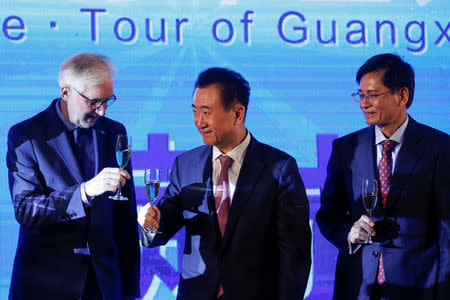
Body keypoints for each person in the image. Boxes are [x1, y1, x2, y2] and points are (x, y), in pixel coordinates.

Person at [138, 67, 311, 300]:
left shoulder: (279, 168)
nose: (199, 122)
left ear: (238, 114)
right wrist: (151, 224)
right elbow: (162, 228)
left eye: (207, 112)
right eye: (195, 111)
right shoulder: (186, 165)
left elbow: (295, 252)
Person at [316, 53, 450, 299]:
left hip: (419, 288)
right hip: (359, 287)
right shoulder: (346, 149)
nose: (363, 103)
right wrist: (349, 232)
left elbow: (447, 232)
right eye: (360, 95)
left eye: (372, 96)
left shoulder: (440, 148)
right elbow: (328, 215)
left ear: (402, 96)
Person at [7, 53, 140, 299]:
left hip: (104, 285)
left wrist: (130, 291)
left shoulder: (114, 132)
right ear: (66, 91)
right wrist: (85, 192)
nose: (101, 111)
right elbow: (26, 210)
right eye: (94, 101)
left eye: (108, 101)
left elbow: (125, 220)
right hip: (46, 285)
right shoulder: (27, 136)